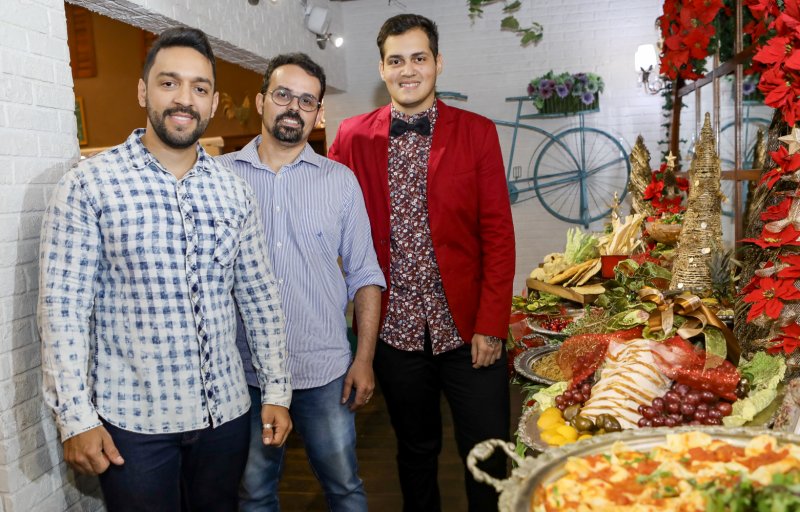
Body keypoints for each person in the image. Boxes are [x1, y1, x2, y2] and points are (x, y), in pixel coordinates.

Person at [37, 27, 292, 512]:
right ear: (143, 91)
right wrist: (75, 419)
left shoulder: (234, 189)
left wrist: (277, 389)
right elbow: (62, 310)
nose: (184, 99)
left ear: (213, 102)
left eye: (199, 88)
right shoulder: (89, 186)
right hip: (133, 427)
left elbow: (260, 297)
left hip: (226, 418)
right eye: (168, 83)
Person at [328, 13, 516, 512]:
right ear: (382, 69)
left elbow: (498, 235)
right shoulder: (351, 137)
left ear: (437, 64)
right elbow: (329, 217)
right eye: (396, 60)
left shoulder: (477, 132)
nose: (408, 70)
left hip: (469, 330)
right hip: (395, 333)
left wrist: (492, 324)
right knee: (415, 452)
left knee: (490, 455)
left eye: (419, 58)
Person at [217, 53, 384, 512]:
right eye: (283, 94)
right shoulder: (219, 178)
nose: (294, 107)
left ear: (318, 112)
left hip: (324, 372)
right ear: (261, 101)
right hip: (244, 374)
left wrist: (364, 358)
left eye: (307, 100)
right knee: (253, 494)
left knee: (344, 487)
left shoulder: (340, 182)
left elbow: (366, 275)